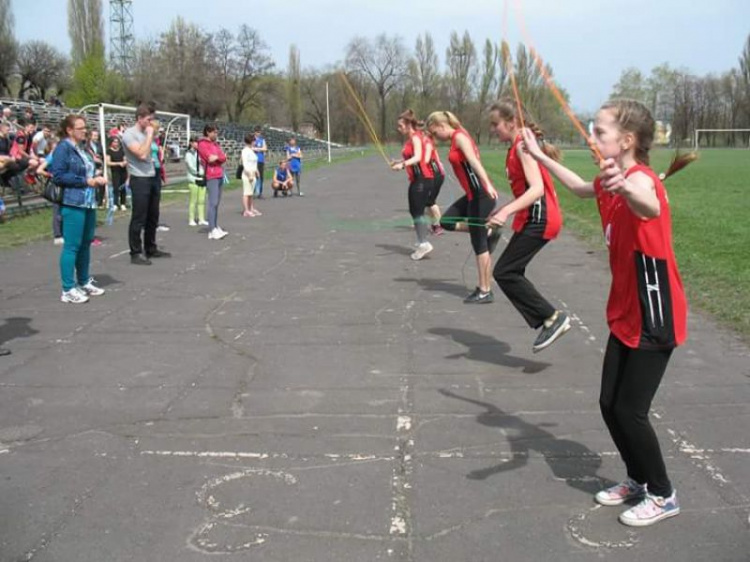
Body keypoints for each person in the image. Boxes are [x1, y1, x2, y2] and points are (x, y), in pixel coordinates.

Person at [521, 98, 693, 527]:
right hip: (625, 310)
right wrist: (540, 155)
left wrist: (625, 183)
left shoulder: (642, 180)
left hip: (656, 311)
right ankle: (637, 479)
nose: (592, 137)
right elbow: (582, 187)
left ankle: (664, 493)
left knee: (631, 411)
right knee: (608, 403)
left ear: (627, 140)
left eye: (599, 131)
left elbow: (648, 203)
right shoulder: (609, 180)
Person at [485, 99, 569, 351]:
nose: (492, 129)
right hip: (533, 218)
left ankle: (552, 318)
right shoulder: (518, 145)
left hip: (541, 219)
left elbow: (536, 190)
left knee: (505, 271)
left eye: (495, 124)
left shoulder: (522, 145)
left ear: (511, 123)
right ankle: (549, 319)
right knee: (511, 271)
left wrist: (507, 211)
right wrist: (502, 211)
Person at [425, 111, 499, 300]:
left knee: (478, 243)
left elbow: (474, 161)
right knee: (447, 221)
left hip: (481, 194)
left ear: (442, 126)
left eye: (435, 133)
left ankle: (485, 290)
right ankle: (489, 231)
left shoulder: (459, 137)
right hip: (472, 195)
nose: (435, 138)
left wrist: (488, 184)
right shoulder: (458, 135)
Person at [49, 115, 108, 303]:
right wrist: (86, 181)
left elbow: (85, 170)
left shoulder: (82, 149)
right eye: (80, 128)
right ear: (69, 130)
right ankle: (67, 288)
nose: (85, 130)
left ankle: (83, 281)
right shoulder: (63, 149)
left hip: (88, 201)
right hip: (73, 202)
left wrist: (96, 176)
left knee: (85, 244)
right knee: (72, 246)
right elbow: (58, 176)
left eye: (85, 127)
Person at [122, 103, 170, 265]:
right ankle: (135, 252)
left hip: (152, 175)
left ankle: (150, 246)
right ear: (139, 118)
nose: (151, 123)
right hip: (139, 177)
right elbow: (142, 154)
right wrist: (150, 136)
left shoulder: (147, 132)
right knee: (139, 216)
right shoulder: (130, 134)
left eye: (152, 120)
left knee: (153, 215)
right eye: (148, 120)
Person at [390, 109, 435, 261]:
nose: (399, 128)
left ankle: (424, 243)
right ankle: (422, 239)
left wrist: (402, 166)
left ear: (409, 125)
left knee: (417, 211)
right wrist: (399, 162)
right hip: (416, 179)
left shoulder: (416, 137)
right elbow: (410, 157)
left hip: (423, 178)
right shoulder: (410, 139)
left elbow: (418, 157)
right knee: (414, 211)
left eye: (401, 125)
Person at [196, 124, 228, 240]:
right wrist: (217, 158)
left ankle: (215, 225)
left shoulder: (215, 144)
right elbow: (209, 158)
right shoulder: (203, 144)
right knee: (212, 202)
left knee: (217, 203)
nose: (216, 134)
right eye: (214, 132)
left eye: (216, 132)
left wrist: (218, 158)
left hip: (219, 174)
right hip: (211, 175)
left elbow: (223, 157)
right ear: (208, 132)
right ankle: (212, 229)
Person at [423, 130, 445, 235]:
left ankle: (438, 225)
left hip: (436, 175)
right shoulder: (427, 143)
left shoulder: (427, 142)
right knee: (427, 202)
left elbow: (425, 160)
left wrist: (405, 164)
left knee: (430, 202)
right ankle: (434, 224)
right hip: (433, 174)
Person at [185, 137, 208, 226]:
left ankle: (201, 218)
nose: (197, 144)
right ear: (191, 143)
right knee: (193, 200)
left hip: (202, 178)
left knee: (201, 200)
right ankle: (191, 219)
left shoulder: (200, 153)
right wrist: (199, 172)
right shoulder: (188, 154)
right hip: (193, 178)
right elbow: (191, 167)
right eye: (195, 142)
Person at [241, 133, 261, 217]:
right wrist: (249, 175)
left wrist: (256, 171)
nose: (255, 142)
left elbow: (253, 162)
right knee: (247, 192)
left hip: (253, 172)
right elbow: (245, 164)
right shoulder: (245, 151)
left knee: (251, 193)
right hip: (247, 174)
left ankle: (251, 208)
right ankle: (246, 210)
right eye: (254, 141)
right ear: (250, 141)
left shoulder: (251, 150)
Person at [106, 136, 128, 211]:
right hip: (115, 171)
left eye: (117, 142)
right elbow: (108, 162)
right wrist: (118, 163)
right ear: (111, 143)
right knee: (116, 187)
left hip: (123, 171)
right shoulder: (109, 151)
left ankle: (123, 203)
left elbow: (125, 159)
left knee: (123, 187)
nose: (116, 143)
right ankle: (115, 203)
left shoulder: (122, 150)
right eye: (114, 142)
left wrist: (124, 162)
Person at [251, 127, 267, 198]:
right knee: (254, 176)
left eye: (259, 132)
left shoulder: (262, 140)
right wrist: (260, 149)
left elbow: (265, 149)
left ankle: (260, 192)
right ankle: (253, 191)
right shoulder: (252, 139)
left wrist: (257, 149)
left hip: (261, 160)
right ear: (254, 132)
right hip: (254, 160)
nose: (258, 133)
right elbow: (251, 148)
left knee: (261, 177)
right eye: (257, 132)